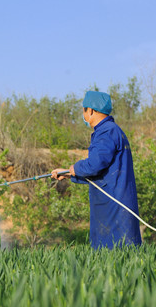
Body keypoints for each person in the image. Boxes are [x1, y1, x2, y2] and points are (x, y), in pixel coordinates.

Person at [51, 91, 142, 249]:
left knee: (114, 253)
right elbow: (101, 172)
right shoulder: (112, 130)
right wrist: (66, 173)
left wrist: (75, 167)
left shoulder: (106, 132)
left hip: (113, 204)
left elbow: (95, 164)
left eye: (84, 111)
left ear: (91, 111)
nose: (84, 115)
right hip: (115, 200)